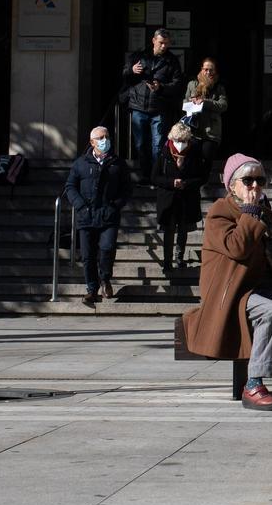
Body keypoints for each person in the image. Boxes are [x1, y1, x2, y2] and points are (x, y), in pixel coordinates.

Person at [181, 154, 272, 411]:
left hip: (262, 286)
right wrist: (249, 213)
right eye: (248, 181)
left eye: (260, 180)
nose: (255, 186)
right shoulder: (220, 212)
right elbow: (237, 248)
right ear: (232, 185)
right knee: (271, 311)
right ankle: (253, 384)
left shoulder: (264, 212)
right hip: (234, 293)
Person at [64, 126, 132, 305]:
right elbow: (70, 186)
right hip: (86, 216)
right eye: (100, 138)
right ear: (92, 142)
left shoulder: (118, 163)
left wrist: (115, 206)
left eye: (106, 137)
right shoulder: (81, 163)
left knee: (107, 248)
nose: (104, 140)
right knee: (87, 256)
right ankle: (91, 289)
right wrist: (80, 206)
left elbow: (127, 189)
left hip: (108, 215)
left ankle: (105, 279)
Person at [121, 29, 183, 178]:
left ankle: (156, 176)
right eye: (161, 43)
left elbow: (177, 84)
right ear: (154, 40)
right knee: (140, 144)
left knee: (158, 145)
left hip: (158, 108)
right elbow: (124, 74)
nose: (164, 46)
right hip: (138, 105)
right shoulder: (139, 56)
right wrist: (131, 70)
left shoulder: (172, 61)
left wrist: (161, 87)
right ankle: (144, 174)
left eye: (166, 43)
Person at [151, 123, 208, 273]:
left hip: (187, 198)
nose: (180, 144)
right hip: (168, 199)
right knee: (169, 231)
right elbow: (155, 177)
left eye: (183, 141)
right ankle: (167, 262)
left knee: (183, 229)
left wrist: (186, 183)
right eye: (177, 140)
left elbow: (202, 177)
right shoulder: (164, 153)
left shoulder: (194, 153)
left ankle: (179, 258)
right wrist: (172, 182)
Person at [183, 57, 228, 162]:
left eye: (211, 70)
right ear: (201, 69)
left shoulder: (219, 87)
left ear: (215, 71)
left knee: (206, 161)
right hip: (194, 130)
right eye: (206, 69)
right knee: (192, 161)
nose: (208, 72)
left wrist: (205, 102)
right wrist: (191, 101)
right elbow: (185, 102)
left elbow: (223, 106)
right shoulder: (192, 84)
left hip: (211, 131)